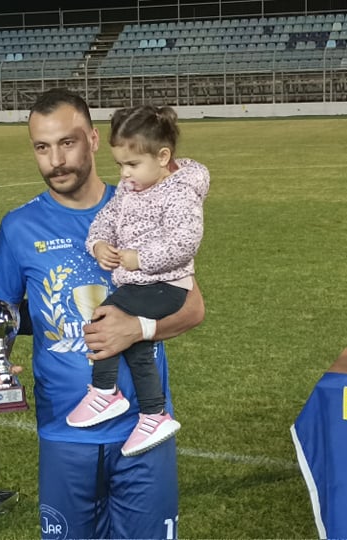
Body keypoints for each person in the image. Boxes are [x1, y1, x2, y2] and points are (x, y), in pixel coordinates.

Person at [0, 88, 205, 540]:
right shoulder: (19, 227)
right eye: (42, 147)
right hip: (64, 430)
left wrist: (135, 328)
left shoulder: (145, 203)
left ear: (94, 140)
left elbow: (193, 307)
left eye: (67, 142)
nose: (56, 160)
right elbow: (3, 314)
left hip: (141, 426)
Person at [66, 105, 209, 458]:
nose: (124, 174)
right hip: (140, 284)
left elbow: (184, 243)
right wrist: (98, 244)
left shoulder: (180, 193)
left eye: (132, 164)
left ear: (163, 157)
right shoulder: (130, 189)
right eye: (120, 165)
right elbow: (107, 218)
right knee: (138, 347)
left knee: (106, 315)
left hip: (168, 286)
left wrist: (139, 259)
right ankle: (154, 414)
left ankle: (104, 391)